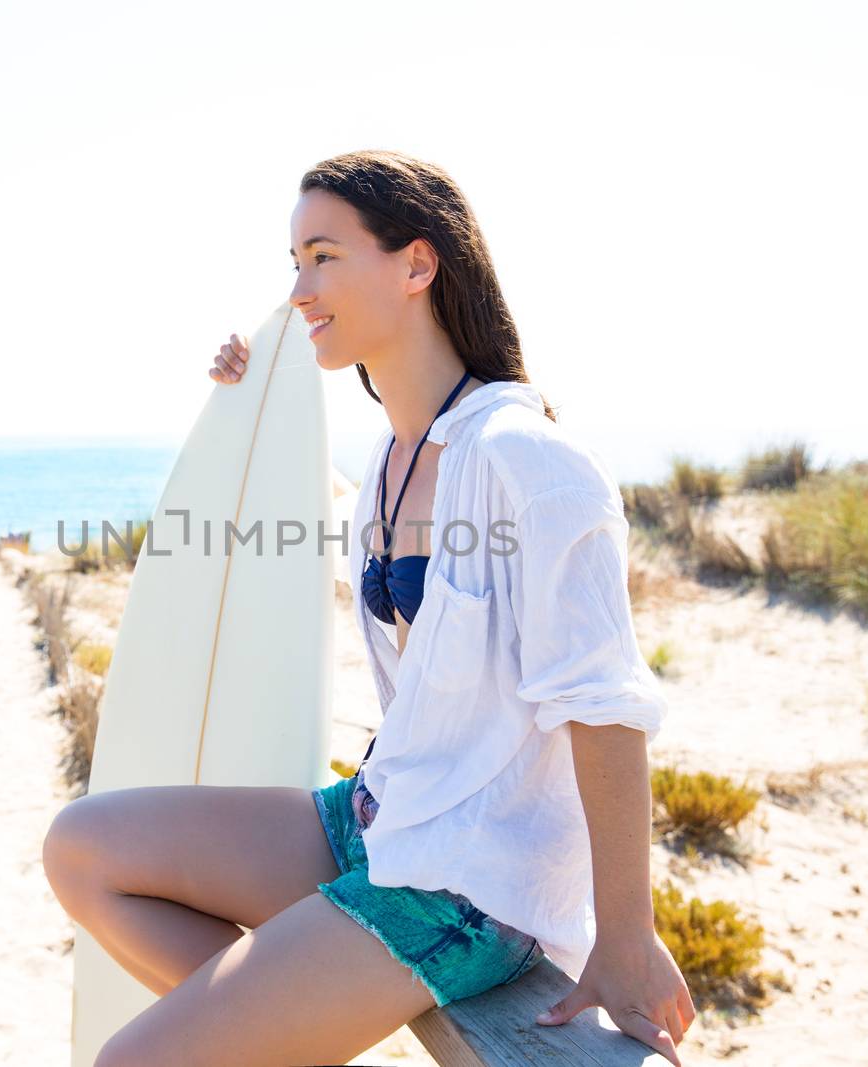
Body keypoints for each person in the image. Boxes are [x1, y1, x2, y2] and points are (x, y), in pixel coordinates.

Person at [43, 150, 694, 1066]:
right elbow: (267, 511)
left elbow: (605, 703)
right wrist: (245, 401)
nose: (301, 289)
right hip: (382, 815)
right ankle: (282, 1032)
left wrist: (629, 934)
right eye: (295, 263)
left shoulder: (527, 460)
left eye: (324, 256)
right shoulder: (388, 465)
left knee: (131, 1062)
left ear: (418, 264)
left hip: (467, 883)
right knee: (83, 848)